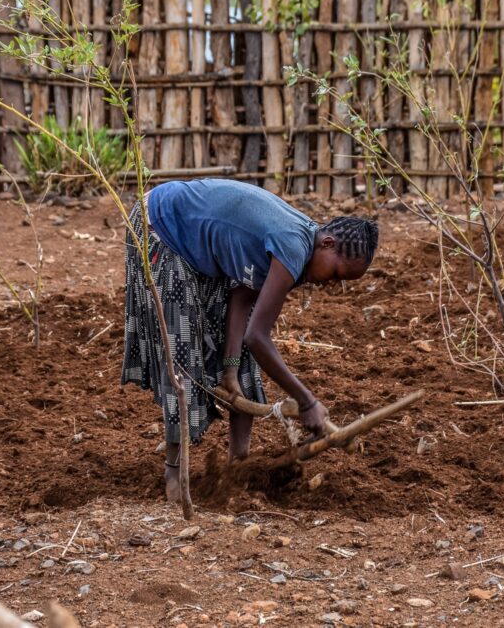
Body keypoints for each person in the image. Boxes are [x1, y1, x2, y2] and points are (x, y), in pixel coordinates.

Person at [121, 179, 379, 502]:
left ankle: (236, 468)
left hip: (189, 239)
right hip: (159, 225)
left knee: (244, 361)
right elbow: (259, 337)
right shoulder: (293, 246)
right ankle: (174, 471)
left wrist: (229, 371)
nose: (332, 284)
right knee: (182, 350)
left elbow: (243, 298)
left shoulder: (301, 249)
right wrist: (307, 401)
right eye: (338, 274)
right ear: (327, 244)